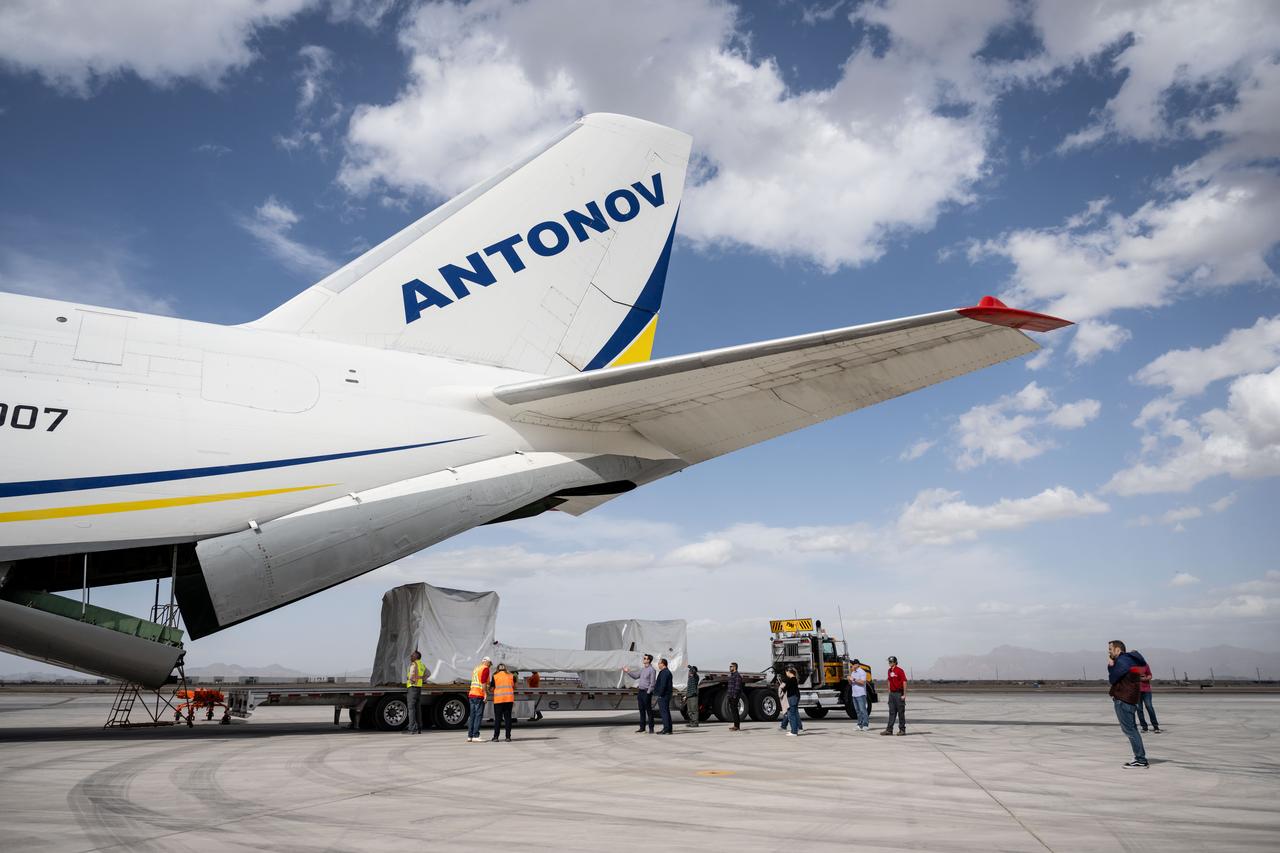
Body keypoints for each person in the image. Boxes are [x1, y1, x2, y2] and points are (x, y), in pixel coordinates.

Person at [1107, 640, 1149, 768]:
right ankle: (1139, 757)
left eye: (1110, 649)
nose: (1109, 652)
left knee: (1130, 730)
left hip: (1124, 699)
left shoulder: (1122, 661)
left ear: (1118, 650)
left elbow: (1112, 678)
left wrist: (1110, 665)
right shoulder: (1131, 660)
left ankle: (1140, 759)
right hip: (1130, 699)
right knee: (1132, 729)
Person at [622, 654, 657, 733]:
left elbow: (652, 683)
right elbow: (635, 676)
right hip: (640, 692)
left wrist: (648, 692)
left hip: (646, 692)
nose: (643, 659)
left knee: (649, 711)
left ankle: (651, 728)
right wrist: (628, 671)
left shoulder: (652, 670)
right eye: (644, 658)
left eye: (645, 658)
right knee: (641, 710)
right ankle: (642, 728)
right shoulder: (643, 669)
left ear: (648, 660)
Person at [466, 656, 491, 742]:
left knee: (472, 715)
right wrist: (485, 694)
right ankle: (476, 735)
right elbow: (483, 682)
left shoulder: (476, 668)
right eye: (489, 663)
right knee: (478, 715)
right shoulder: (485, 669)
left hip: (472, 694)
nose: (489, 665)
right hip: (479, 694)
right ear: (487, 662)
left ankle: (470, 736)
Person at [1133, 656, 1161, 733]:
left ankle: (1156, 726)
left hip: (1146, 690)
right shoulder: (1132, 666)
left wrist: (1145, 678)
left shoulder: (1145, 665)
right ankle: (1144, 727)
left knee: (1149, 707)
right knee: (1139, 709)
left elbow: (1150, 675)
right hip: (1136, 691)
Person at [404, 650, 429, 735]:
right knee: (418, 708)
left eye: (412, 655)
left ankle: (411, 729)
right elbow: (428, 673)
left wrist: (411, 680)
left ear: (416, 657)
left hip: (412, 688)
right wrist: (422, 679)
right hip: (419, 688)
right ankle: (419, 728)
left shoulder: (413, 664)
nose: (411, 656)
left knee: (411, 709)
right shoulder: (422, 665)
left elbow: (411, 676)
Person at [490, 662, 515, 742]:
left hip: (498, 700)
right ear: (505, 668)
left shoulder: (495, 676)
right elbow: (514, 686)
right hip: (508, 700)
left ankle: (496, 737)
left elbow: (492, 689)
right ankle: (508, 737)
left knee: (498, 719)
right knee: (508, 719)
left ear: (498, 669)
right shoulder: (511, 676)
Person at [882, 656, 906, 736]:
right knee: (892, 712)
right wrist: (889, 692)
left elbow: (904, 682)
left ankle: (902, 730)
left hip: (899, 694)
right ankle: (889, 730)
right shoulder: (889, 671)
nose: (889, 663)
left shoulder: (899, 670)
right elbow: (889, 681)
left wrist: (904, 694)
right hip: (892, 694)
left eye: (891, 662)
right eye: (889, 662)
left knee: (900, 712)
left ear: (895, 662)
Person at [849, 658, 870, 731]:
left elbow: (862, 682)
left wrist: (853, 679)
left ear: (857, 665)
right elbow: (851, 683)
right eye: (852, 664)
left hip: (861, 694)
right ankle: (859, 724)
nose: (852, 665)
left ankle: (865, 725)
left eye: (853, 664)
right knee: (857, 711)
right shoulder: (853, 672)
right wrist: (849, 679)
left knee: (863, 710)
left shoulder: (862, 672)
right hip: (854, 694)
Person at [654, 658, 674, 734]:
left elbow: (663, 685)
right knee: (666, 712)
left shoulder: (664, 672)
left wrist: (660, 694)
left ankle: (666, 729)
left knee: (664, 713)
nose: (658, 665)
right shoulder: (666, 672)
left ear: (663, 664)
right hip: (666, 695)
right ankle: (669, 729)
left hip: (664, 695)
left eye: (659, 663)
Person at [781, 666, 802, 735]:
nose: (786, 674)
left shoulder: (791, 680)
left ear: (788, 672)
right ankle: (796, 729)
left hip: (792, 698)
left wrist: (782, 688)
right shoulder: (794, 679)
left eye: (786, 672)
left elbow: (785, 689)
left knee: (791, 714)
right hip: (795, 697)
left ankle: (794, 732)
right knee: (794, 713)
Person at [726, 662, 744, 731]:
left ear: (735, 667)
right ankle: (735, 725)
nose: (730, 668)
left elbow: (737, 687)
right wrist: (729, 696)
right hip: (730, 696)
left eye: (731, 666)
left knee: (735, 711)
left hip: (734, 696)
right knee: (733, 711)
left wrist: (734, 696)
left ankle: (737, 726)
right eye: (730, 666)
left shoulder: (737, 676)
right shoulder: (732, 675)